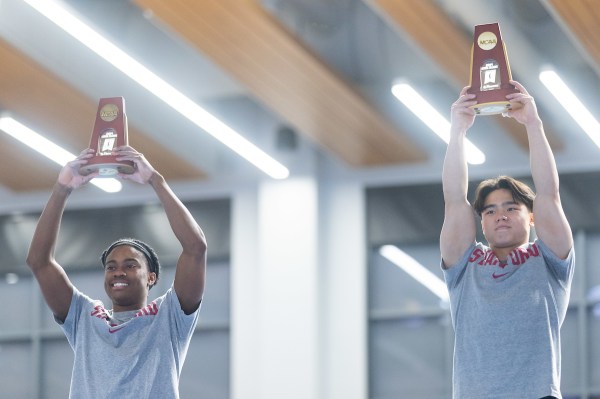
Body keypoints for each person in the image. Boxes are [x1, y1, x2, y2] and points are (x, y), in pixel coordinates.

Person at [26, 146, 207, 398]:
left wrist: (156, 180)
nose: (118, 272)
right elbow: (39, 261)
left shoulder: (169, 316)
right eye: (111, 267)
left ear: (151, 277)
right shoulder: (84, 317)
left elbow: (195, 247)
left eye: (130, 265)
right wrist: (62, 189)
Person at [440, 81, 574, 399]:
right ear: (482, 223)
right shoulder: (464, 264)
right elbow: (454, 199)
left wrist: (532, 123)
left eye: (511, 208)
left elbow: (549, 193)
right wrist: (457, 130)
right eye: (490, 211)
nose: (499, 215)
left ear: (531, 217)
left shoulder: (549, 258)